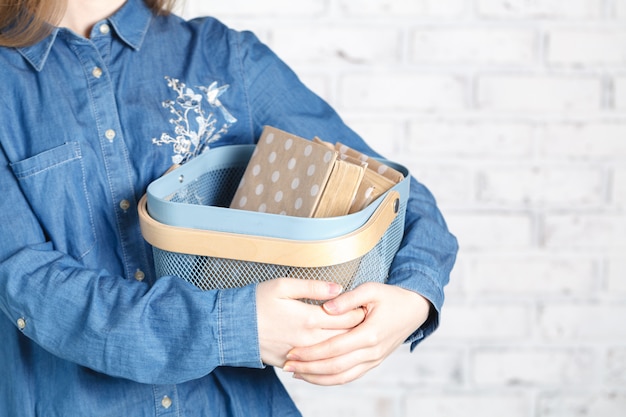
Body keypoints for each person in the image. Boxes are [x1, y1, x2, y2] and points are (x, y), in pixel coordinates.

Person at [0, 0, 458, 415]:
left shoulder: (224, 56)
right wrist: (239, 324)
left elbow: (396, 196)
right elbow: (32, 285)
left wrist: (413, 298)